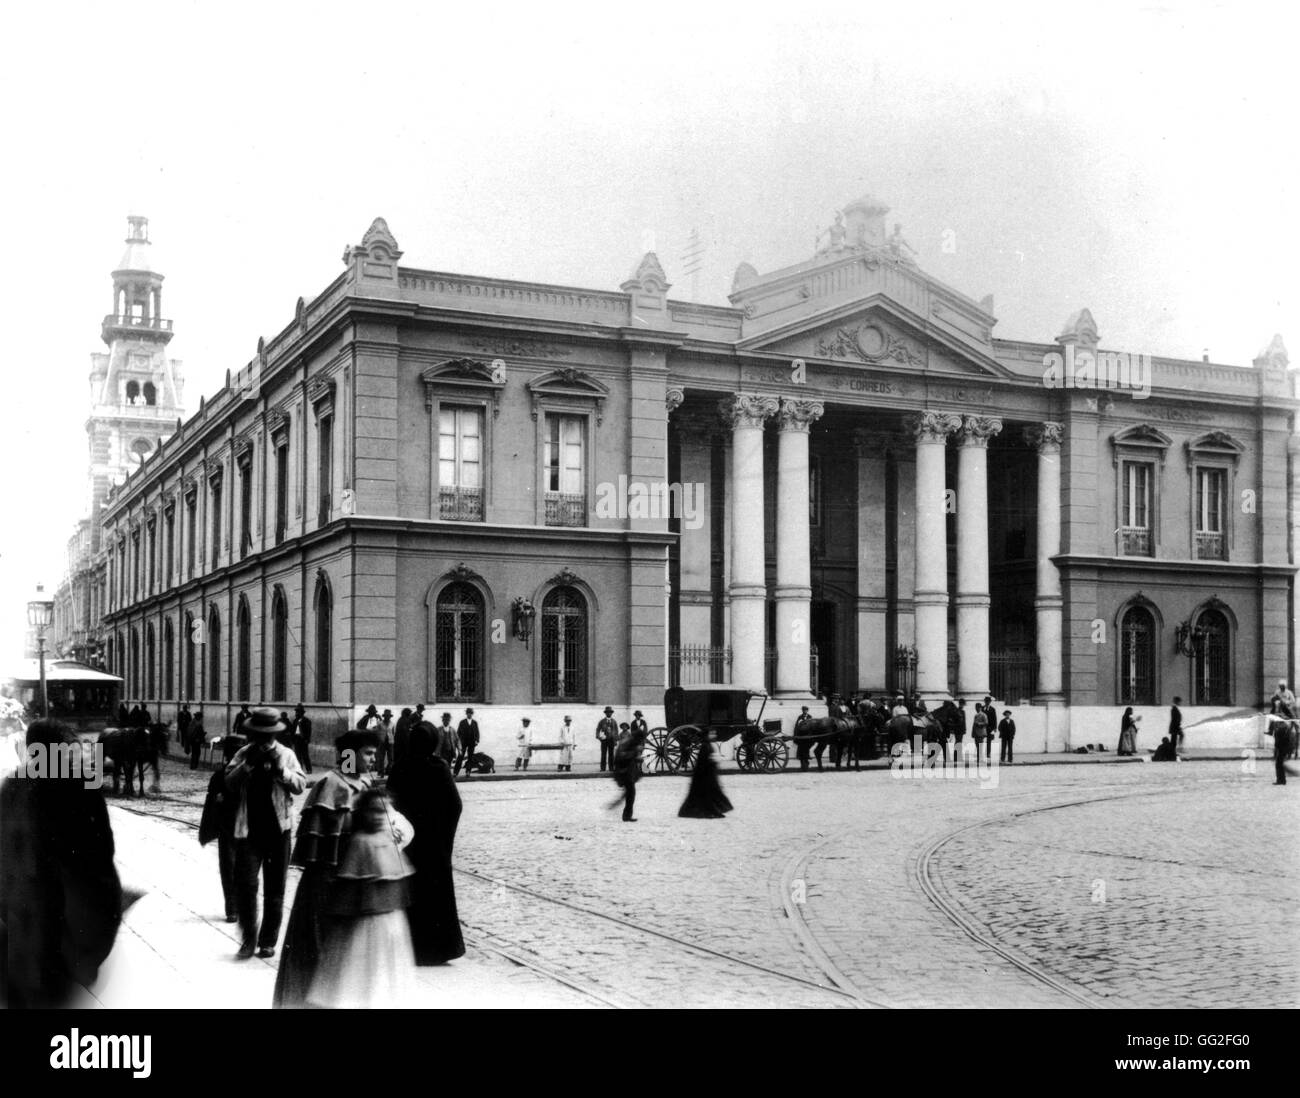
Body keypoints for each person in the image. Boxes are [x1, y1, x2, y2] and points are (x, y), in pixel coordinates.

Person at [0, 720, 123, 1008]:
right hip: (69, 905)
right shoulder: (82, 784)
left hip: (25, 907)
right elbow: (103, 846)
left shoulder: (13, 784)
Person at [273, 729, 378, 1008]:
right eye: (368, 753)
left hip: (353, 882)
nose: (373, 758)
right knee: (318, 947)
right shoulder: (331, 784)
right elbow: (318, 840)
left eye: (374, 753)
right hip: (326, 881)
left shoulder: (366, 782)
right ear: (349, 755)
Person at [306, 788, 417, 1009]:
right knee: (361, 972)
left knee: (388, 973)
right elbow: (349, 889)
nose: (378, 817)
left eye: (383, 812)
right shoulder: (360, 842)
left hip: (391, 921)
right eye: (373, 812)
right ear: (363, 813)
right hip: (366, 922)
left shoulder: (387, 838)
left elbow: (398, 881)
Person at [224, 708, 306, 959]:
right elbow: (228, 782)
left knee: (275, 889)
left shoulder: (286, 754)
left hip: (278, 829)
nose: (263, 741)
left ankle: (268, 941)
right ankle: (248, 938)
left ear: (275, 735)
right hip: (248, 830)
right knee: (246, 885)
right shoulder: (244, 754)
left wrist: (283, 771)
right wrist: (246, 768)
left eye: (267, 736)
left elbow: (301, 785)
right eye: (258, 736)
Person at [387, 722, 466, 965]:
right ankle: (438, 949)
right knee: (436, 894)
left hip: (408, 844)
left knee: (409, 893)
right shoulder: (439, 767)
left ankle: (408, 948)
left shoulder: (399, 766)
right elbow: (455, 805)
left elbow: (389, 803)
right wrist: (444, 836)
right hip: (435, 845)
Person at [199, 766, 240, 922]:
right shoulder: (220, 775)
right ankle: (232, 909)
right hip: (228, 827)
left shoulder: (253, 770)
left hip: (248, 827)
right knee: (228, 867)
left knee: (242, 869)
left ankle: (238, 907)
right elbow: (212, 801)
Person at [678, 733, 733, 819]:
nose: (714, 735)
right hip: (705, 776)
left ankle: (713, 810)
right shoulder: (705, 746)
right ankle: (712, 811)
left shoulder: (707, 745)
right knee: (707, 794)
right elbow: (703, 762)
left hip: (707, 775)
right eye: (711, 734)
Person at [609, 721, 648, 822]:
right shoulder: (626, 743)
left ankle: (626, 814)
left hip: (628, 772)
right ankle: (626, 816)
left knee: (630, 793)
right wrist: (635, 753)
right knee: (631, 793)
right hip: (623, 772)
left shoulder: (633, 742)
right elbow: (621, 756)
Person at [455, 707, 480, 776]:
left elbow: (477, 732)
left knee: (470, 757)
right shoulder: (462, 722)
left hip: (472, 742)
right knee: (460, 756)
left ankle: (468, 771)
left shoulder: (474, 723)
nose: (469, 715)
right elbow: (458, 733)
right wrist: (459, 742)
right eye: (468, 713)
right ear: (466, 714)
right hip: (463, 742)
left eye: (471, 713)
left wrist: (477, 740)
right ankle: (456, 772)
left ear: (472, 714)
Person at [291, 703, 313, 775]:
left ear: (302, 713)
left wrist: (307, 739)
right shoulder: (295, 721)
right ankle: (299, 769)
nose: (297, 713)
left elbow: (308, 731)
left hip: (303, 740)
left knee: (305, 755)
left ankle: (309, 769)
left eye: (298, 712)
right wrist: (292, 740)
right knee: (298, 755)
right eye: (296, 711)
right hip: (297, 739)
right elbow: (292, 730)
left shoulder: (307, 721)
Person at [596, 706, 618, 771]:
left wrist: (616, 740)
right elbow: (598, 729)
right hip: (604, 740)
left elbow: (616, 731)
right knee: (603, 754)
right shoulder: (602, 721)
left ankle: (611, 768)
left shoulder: (614, 722)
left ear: (612, 713)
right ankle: (603, 768)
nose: (609, 714)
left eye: (610, 712)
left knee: (611, 754)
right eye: (607, 712)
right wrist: (598, 736)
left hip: (611, 740)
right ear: (605, 713)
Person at [375, 709, 395, 774]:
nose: (387, 717)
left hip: (390, 742)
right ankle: (380, 771)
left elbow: (394, 733)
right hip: (382, 742)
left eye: (388, 716)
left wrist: (393, 740)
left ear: (390, 716)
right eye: (386, 716)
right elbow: (377, 732)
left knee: (390, 757)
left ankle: (389, 770)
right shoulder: (380, 723)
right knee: (381, 757)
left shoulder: (392, 724)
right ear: (384, 716)